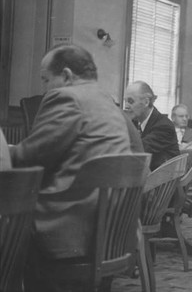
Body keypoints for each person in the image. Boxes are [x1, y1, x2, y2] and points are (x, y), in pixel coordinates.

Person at [8, 44, 134, 290]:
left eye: (46, 80)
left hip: (64, 231)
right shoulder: (107, 101)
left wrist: (6, 151)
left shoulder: (67, 96)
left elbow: (30, 157)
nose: (45, 88)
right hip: (106, 232)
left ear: (66, 75)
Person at [124, 81, 179, 170]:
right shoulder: (135, 122)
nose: (126, 106)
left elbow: (138, 150)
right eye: (125, 101)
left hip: (161, 181)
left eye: (130, 101)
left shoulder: (164, 126)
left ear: (146, 102)